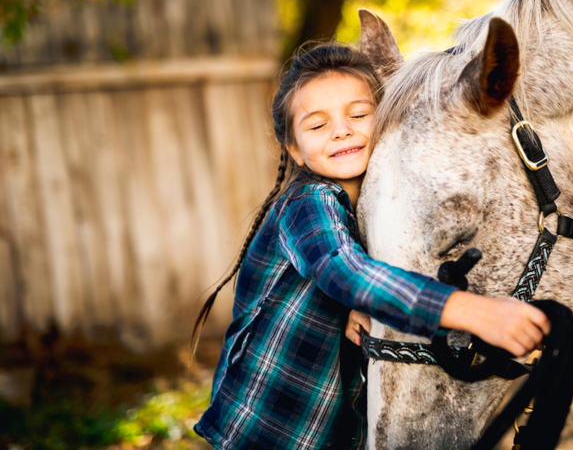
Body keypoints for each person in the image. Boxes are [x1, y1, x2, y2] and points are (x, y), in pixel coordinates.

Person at [191, 43, 551, 450]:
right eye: (316, 125)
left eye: (359, 115)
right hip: (271, 429)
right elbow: (342, 270)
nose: (341, 130)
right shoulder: (307, 202)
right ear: (294, 149)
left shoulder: (375, 209)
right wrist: (475, 313)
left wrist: (348, 308)